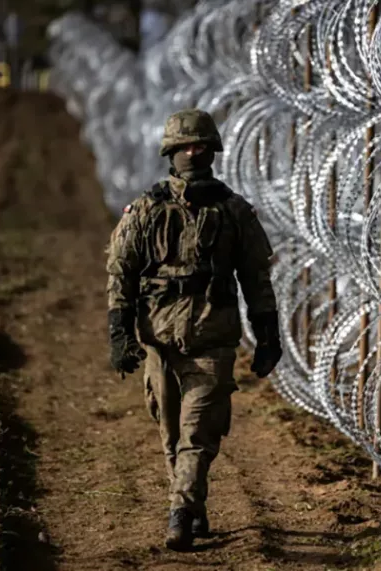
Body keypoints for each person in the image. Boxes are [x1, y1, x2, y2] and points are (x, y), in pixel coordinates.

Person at [105, 109, 282, 551]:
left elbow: (257, 278)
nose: (193, 153)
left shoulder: (235, 212)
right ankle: (191, 502)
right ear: (170, 152)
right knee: (169, 433)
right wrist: (119, 331)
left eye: (201, 146)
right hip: (159, 341)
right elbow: (120, 271)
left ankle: (180, 511)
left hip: (213, 337)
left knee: (198, 435)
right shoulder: (147, 209)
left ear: (213, 151)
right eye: (185, 147)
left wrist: (268, 335)